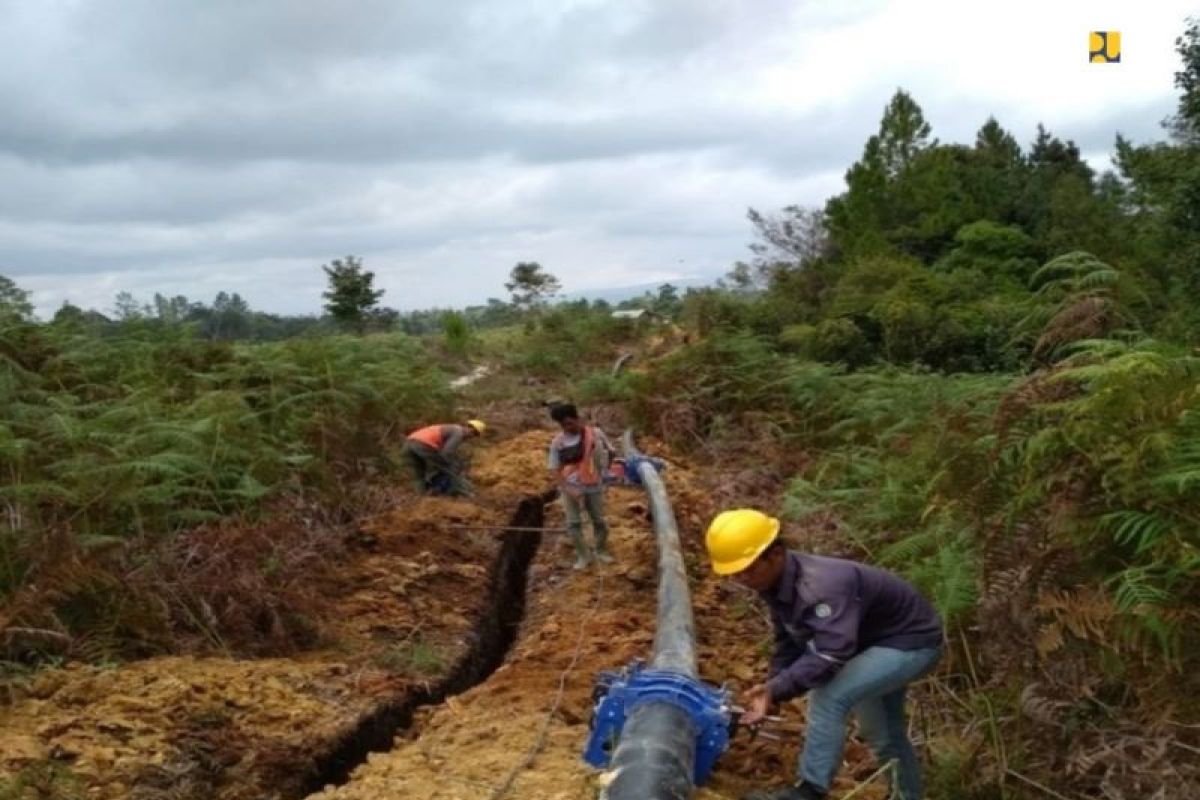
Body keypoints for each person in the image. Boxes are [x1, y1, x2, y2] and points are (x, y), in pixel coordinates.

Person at [706, 509, 943, 800]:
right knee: (882, 733)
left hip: (911, 643)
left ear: (776, 553)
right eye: (736, 573)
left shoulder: (819, 587)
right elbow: (789, 642)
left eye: (749, 569)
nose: (743, 578)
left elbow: (832, 653)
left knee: (829, 695)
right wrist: (772, 691)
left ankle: (810, 790)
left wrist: (777, 689)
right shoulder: (774, 582)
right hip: (870, 644)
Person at [547, 403, 614, 569]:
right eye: (563, 425)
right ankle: (583, 556)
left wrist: (604, 472)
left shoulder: (595, 435)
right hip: (570, 487)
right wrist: (569, 489)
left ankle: (600, 549)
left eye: (570, 423)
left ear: (578, 419)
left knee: (599, 521)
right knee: (573, 523)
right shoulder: (558, 443)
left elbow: (611, 452)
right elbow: (555, 470)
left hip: (594, 485)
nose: (567, 427)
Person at [402, 419, 486, 496]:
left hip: (408, 443)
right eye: (474, 434)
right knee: (450, 469)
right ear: (471, 430)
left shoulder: (450, 428)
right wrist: (452, 465)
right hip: (423, 444)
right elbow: (447, 453)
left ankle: (422, 498)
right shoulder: (458, 432)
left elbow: (440, 452)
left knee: (418, 475)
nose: (471, 437)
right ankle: (467, 493)